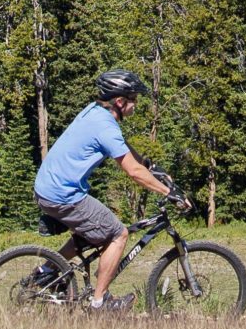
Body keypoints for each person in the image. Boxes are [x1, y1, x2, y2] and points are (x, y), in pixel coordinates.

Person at [34, 68, 177, 313]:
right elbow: (132, 172)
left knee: (89, 235)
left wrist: (149, 165)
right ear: (120, 102)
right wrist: (168, 192)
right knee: (118, 234)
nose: (136, 105)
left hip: (48, 189)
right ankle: (99, 304)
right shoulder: (106, 127)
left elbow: (123, 147)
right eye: (134, 100)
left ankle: (45, 273)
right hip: (63, 194)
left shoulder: (95, 112)